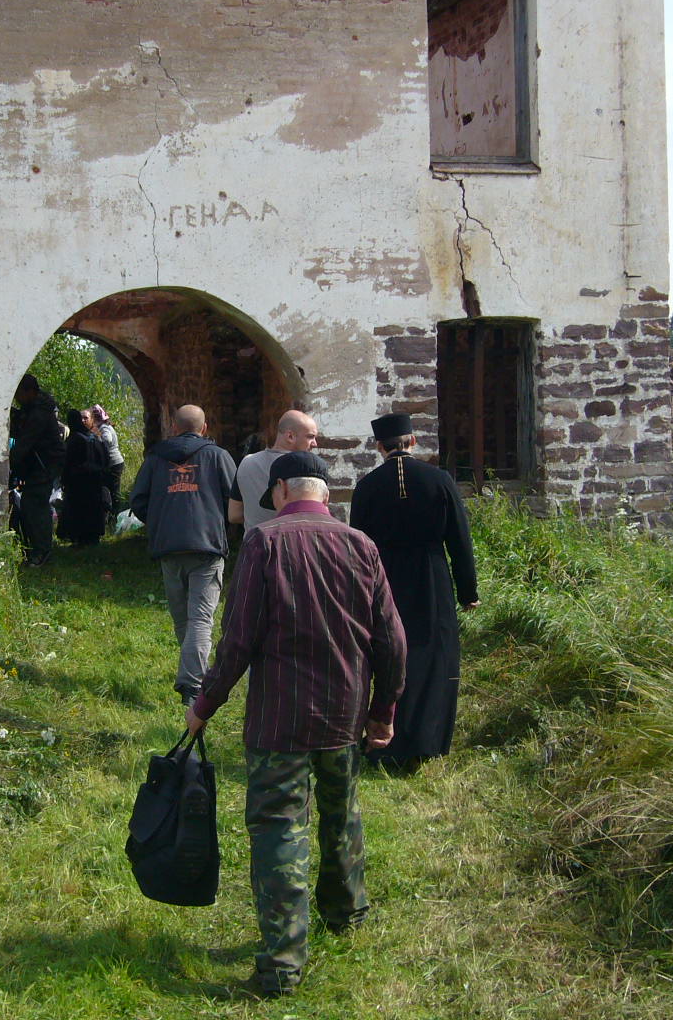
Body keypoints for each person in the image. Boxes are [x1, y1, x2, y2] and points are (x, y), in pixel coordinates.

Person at [185, 450, 406, 1000]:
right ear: (325, 494)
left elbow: (238, 639)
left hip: (279, 717)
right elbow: (393, 641)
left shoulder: (265, 544)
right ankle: (346, 914)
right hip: (344, 710)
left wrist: (204, 704)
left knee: (282, 827)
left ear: (281, 490)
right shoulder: (362, 546)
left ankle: (282, 963)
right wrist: (383, 712)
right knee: (341, 812)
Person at [349, 413, 478, 771]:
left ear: (379, 446)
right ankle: (427, 740)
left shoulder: (368, 485)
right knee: (432, 655)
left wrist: (358, 593)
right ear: (413, 441)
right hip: (431, 577)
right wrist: (468, 590)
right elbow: (460, 539)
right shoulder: (439, 480)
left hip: (384, 578)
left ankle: (381, 737)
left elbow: (358, 544)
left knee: (386, 654)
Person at [128, 404, 238, 704]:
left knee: (183, 618)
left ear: (173, 427)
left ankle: (192, 675)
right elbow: (236, 497)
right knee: (201, 618)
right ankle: (193, 685)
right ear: (204, 428)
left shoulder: (155, 457)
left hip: (168, 546)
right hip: (206, 545)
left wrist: (160, 520)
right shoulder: (218, 456)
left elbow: (138, 500)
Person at [227, 409, 320, 533]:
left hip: (253, 545)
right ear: (290, 436)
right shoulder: (308, 468)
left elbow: (234, 515)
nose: (315, 443)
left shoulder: (246, 462)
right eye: (310, 437)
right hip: (292, 546)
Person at [9, 373, 65, 567]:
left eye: (19, 394)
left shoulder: (39, 413)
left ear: (30, 392)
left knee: (35, 506)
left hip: (44, 465)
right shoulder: (35, 409)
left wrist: (10, 465)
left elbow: (25, 442)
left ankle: (41, 551)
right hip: (41, 464)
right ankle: (38, 549)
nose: (16, 398)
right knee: (33, 505)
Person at [57, 408, 110, 545]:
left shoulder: (75, 439)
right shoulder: (95, 437)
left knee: (79, 510)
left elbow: (68, 462)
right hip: (95, 479)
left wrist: (64, 479)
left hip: (78, 482)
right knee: (93, 510)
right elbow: (105, 458)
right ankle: (93, 537)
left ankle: (79, 538)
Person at [90, 403, 126, 524]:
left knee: (113, 491)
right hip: (115, 462)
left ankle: (114, 517)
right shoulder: (106, 426)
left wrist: (97, 439)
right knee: (111, 490)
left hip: (113, 463)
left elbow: (108, 440)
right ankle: (112, 517)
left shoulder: (104, 428)